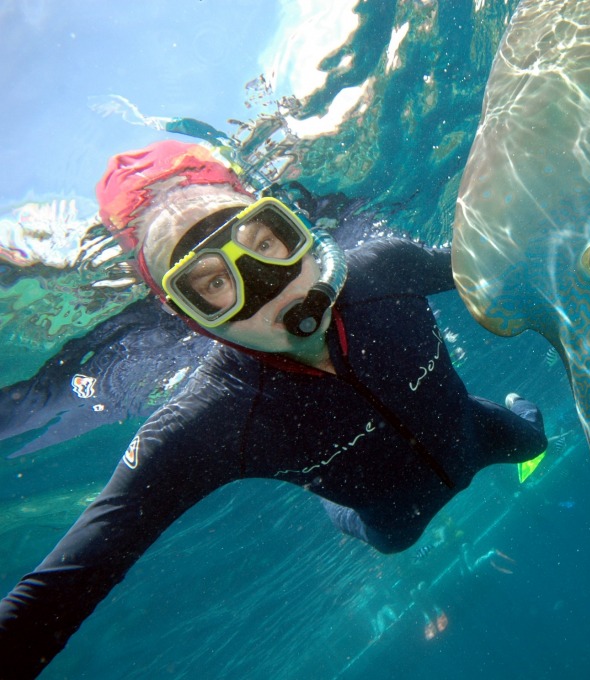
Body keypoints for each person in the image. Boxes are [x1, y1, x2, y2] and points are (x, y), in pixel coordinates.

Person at [0, 140, 547, 677]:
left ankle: (516, 410)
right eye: (215, 281)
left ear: (298, 231)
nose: (266, 283)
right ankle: (335, 510)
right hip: (391, 516)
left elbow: (509, 259)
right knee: (394, 541)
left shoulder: (386, 269)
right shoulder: (209, 420)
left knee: (534, 441)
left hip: (478, 432)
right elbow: (61, 587)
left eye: (265, 239)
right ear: (189, 317)